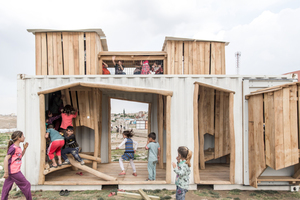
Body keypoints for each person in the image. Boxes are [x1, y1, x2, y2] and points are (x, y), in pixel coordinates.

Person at [1, 131, 32, 200]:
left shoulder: (18, 147)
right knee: (27, 184)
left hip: (12, 172)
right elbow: (6, 159)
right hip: (14, 171)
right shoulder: (13, 148)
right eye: (23, 136)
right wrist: (6, 172)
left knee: (6, 188)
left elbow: (19, 157)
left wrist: (24, 149)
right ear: (18, 138)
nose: (24, 137)